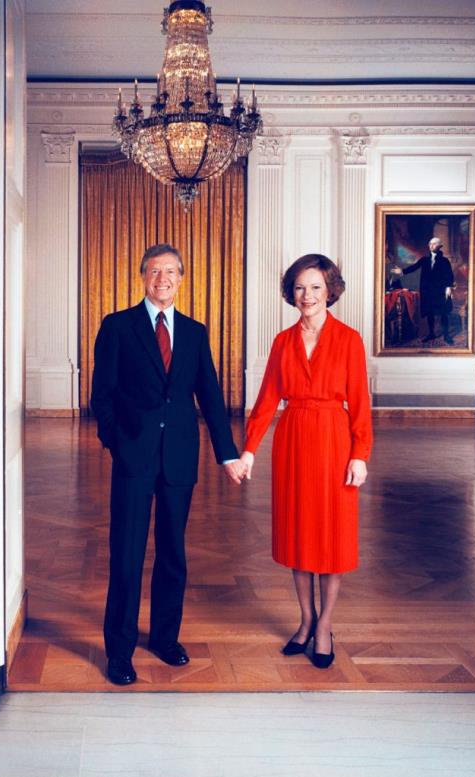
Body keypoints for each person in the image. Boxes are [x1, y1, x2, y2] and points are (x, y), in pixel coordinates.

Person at [91, 243, 245, 685]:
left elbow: (211, 398)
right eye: (155, 271)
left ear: (182, 279)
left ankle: (163, 638)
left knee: (173, 553)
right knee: (127, 554)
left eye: (171, 272)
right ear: (143, 277)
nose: (163, 279)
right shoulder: (118, 327)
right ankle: (119, 651)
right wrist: (116, 442)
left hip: (180, 457)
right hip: (133, 457)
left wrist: (227, 452)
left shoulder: (195, 333)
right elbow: (102, 395)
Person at [237, 254, 373, 669]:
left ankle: (325, 626)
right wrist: (248, 450)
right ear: (290, 293)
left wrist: (360, 455)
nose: (307, 295)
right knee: (299, 538)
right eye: (299, 287)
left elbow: (362, 405)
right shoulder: (282, 342)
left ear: (330, 290)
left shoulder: (349, 340)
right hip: (293, 440)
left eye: (315, 287)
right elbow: (265, 402)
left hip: (334, 441)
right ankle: (306, 618)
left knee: (331, 540)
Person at [392, 236, 454, 344]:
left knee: (444, 313)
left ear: (440, 246)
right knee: (429, 313)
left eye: (434, 244)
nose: (431, 246)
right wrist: (402, 271)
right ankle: (431, 333)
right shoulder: (424, 260)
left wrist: (448, 288)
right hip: (428, 291)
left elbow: (449, 275)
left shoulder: (445, 261)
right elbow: (414, 267)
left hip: (440, 291)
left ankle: (446, 335)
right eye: (430, 244)